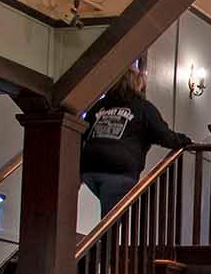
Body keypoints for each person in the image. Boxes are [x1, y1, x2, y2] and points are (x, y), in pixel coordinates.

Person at [80, 62, 193, 213]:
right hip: (119, 168)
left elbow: (83, 131)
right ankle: (107, 236)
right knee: (112, 217)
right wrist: (185, 141)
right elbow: (164, 136)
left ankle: (106, 234)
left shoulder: (100, 105)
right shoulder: (143, 107)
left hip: (90, 168)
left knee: (111, 211)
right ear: (138, 83)